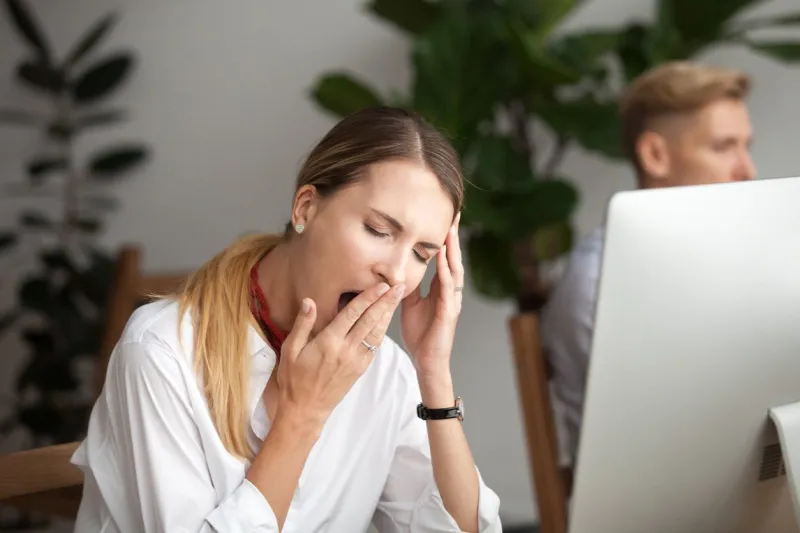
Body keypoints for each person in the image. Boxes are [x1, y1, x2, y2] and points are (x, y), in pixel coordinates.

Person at [71, 106, 502, 532]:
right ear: (306, 209)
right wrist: (303, 414)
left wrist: (434, 372)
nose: (396, 271)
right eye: (378, 230)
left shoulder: (386, 370)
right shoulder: (161, 351)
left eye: (420, 254)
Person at [540, 61, 757, 472]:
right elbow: (668, 449)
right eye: (723, 147)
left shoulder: (733, 266)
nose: (747, 171)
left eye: (747, 147)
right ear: (656, 155)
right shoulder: (600, 284)